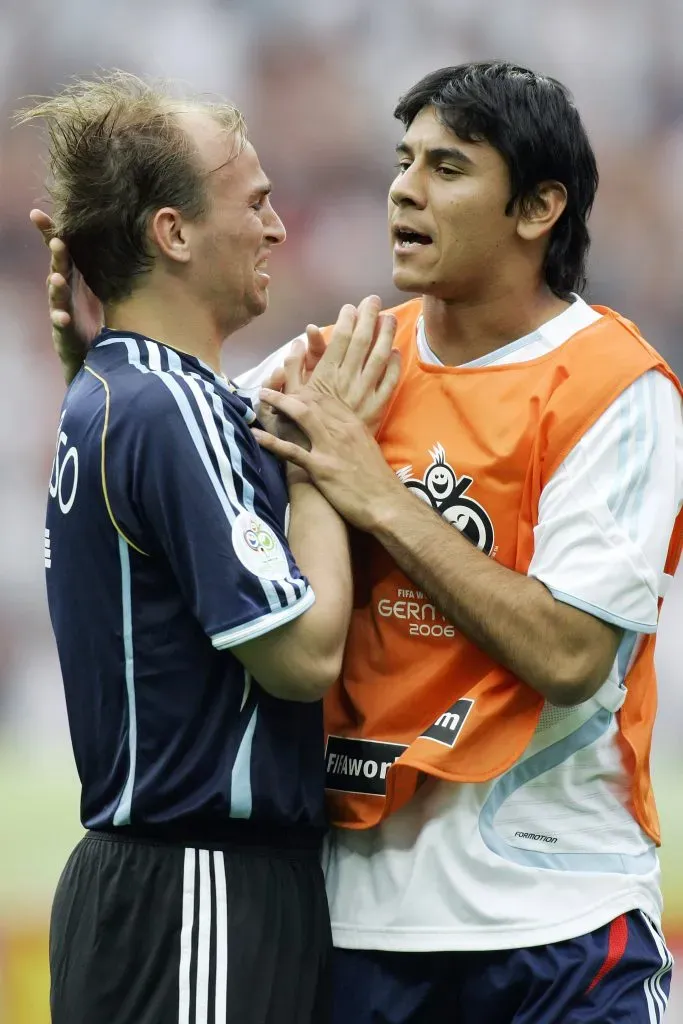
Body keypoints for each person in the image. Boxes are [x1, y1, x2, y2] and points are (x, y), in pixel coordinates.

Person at [35, 62, 683, 1023]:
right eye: (402, 160)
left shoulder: (613, 389)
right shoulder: (338, 361)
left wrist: (377, 497)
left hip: (557, 916)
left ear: (538, 207)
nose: (403, 189)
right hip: (355, 928)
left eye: (448, 168)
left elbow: (570, 654)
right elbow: (165, 444)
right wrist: (108, 354)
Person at [20, 73, 399, 1024]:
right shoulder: (168, 404)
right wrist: (325, 459)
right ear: (173, 233)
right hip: (195, 889)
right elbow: (301, 657)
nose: (277, 231)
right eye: (258, 203)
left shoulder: (123, 390)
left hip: (171, 887)